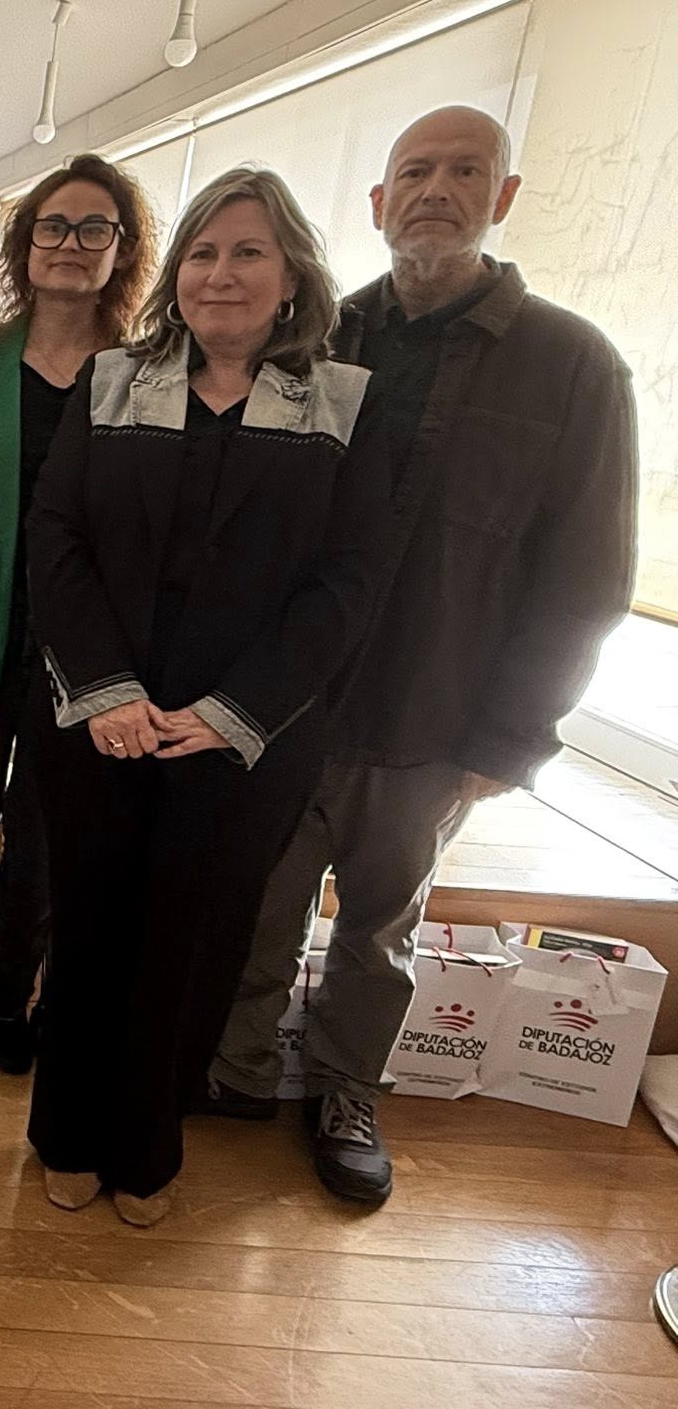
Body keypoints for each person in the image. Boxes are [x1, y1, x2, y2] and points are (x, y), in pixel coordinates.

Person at [205, 108, 638, 1205]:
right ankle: (236, 1068)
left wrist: (513, 738)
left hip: (434, 713)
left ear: (502, 196)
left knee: (380, 927)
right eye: (414, 172)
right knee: (258, 903)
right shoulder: (317, 338)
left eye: (464, 171)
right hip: (289, 705)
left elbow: (586, 576)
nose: (435, 190)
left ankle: (345, 1090)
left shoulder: (572, 365)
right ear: (378, 202)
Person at [25, 166, 392, 1226]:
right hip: (102, 720)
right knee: (88, 927)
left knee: (194, 941)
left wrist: (231, 711)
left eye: (247, 252)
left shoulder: (343, 402)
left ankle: (146, 1148)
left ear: (292, 277)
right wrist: (106, 693)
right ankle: (66, 1133)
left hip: (242, 735)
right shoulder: (112, 381)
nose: (220, 273)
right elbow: (56, 537)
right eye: (201, 252)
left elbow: (350, 579)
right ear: (173, 273)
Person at [0, 155, 158, 1076]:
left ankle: (10, 996)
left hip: (86, 646)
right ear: (24, 244)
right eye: (53, 226)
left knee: (45, 835)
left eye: (95, 228)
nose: (71, 244)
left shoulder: (147, 372)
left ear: (121, 249)